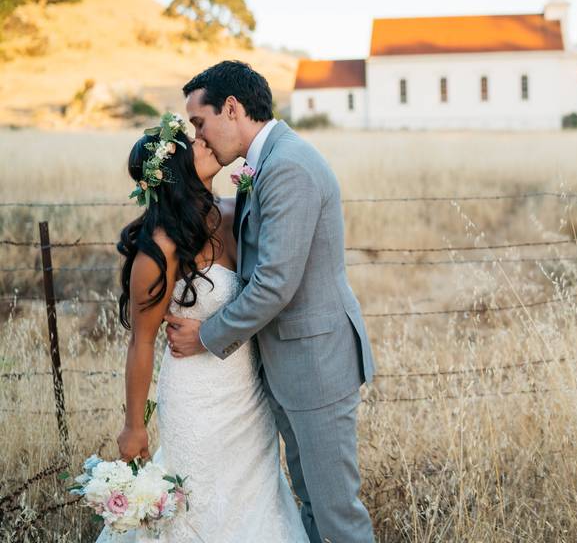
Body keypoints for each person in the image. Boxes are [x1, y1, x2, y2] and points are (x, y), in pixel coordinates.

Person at [164, 60, 376, 543]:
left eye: (200, 122)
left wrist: (207, 335)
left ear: (232, 109)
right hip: (293, 364)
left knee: (337, 514)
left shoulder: (287, 167)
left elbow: (275, 283)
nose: (198, 135)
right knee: (312, 506)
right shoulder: (266, 162)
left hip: (316, 365)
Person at [106, 110, 309, 541]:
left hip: (249, 395)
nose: (206, 140)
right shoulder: (158, 250)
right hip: (195, 395)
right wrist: (134, 426)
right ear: (176, 169)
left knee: (255, 498)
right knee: (200, 501)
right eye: (194, 143)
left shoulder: (235, 213)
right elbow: (141, 343)